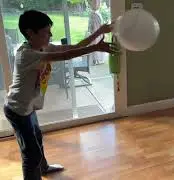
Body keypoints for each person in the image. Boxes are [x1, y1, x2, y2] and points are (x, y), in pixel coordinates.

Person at [3, 10, 118, 180]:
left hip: (27, 107)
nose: (50, 34)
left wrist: (99, 32)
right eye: (45, 32)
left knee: (37, 140)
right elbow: (65, 56)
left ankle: (44, 168)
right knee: (30, 154)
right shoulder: (27, 54)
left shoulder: (41, 46)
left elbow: (74, 47)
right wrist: (96, 47)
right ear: (30, 33)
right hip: (17, 110)